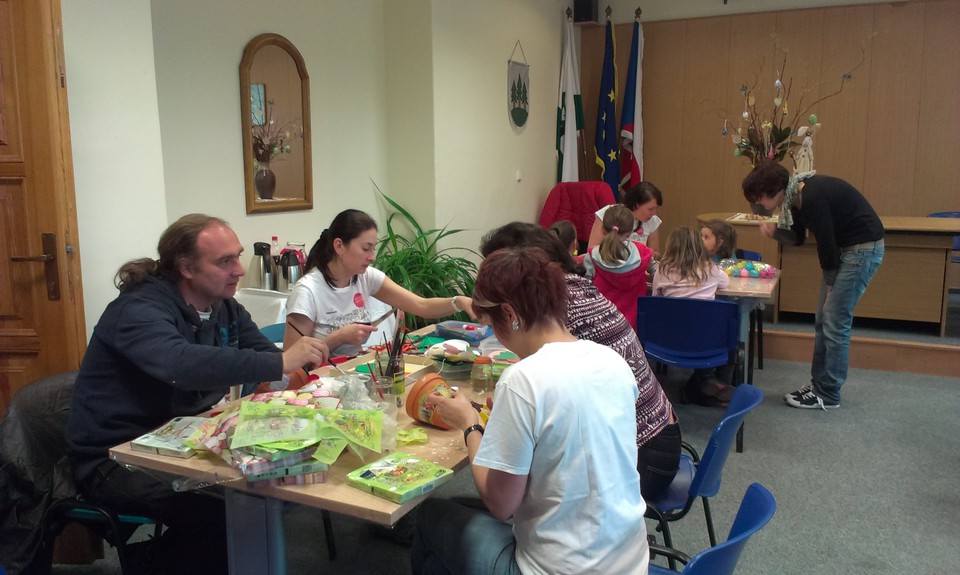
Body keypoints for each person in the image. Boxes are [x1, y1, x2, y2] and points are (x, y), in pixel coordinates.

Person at [66, 214, 330, 574]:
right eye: (225, 261)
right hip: (115, 458)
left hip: (182, 440)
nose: (239, 270)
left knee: (267, 490)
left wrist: (305, 370)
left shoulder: (223, 305)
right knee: (228, 514)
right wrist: (280, 362)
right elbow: (180, 364)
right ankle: (148, 563)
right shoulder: (138, 309)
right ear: (186, 267)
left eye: (238, 256)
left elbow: (265, 357)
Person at [412, 247, 648, 575]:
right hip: (629, 561)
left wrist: (469, 424)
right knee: (461, 510)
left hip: (559, 569)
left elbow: (500, 504)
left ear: (509, 313)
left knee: (429, 516)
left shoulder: (522, 380)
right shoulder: (611, 361)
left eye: (491, 323)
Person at [479, 222, 678, 500]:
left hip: (640, 458)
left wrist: (472, 426)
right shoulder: (574, 287)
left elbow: (503, 500)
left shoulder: (551, 306)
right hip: (657, 438)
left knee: (508, 484)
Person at [743, 160, 883, 410]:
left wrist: (830, 286)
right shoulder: (793, 199)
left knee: (835, 321)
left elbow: (826, 244)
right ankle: (819, 384)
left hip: (862, 249)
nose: (758, 203)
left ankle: (828, 393)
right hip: (847, 250)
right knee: (823, 320)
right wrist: (775, 232)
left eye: (759, 197)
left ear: (773, 189)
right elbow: (797, 238)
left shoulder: (812, 195)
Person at [284, 209, 474, 356]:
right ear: (339, 246)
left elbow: (420, 305)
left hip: (353, 371)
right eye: (366, 248)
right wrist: (339, 337)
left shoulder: (366, 277)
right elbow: (291, 359)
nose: (372, 257)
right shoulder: (308, 290)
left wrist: (458, 302)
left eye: (373, 248)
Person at [652, 226, 734, 407]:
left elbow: (655, 299)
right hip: (705, 341)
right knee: (729, 337)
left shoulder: (663, 270)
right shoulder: (710, 269)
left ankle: (702, 383)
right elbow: (725, 282)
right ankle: (709, 381)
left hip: (668, 340)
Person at [582, 204, 654, 329]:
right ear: (630, 232)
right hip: (635, 328)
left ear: (603, 229)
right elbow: (660, 272)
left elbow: (585, 294)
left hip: (601, 328)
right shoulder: (643, 253)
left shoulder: (591, 258)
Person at [587, 181, 663, 254]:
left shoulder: (652, 220)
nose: (654, 213)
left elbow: (656, 253)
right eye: (650, 209)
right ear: (637, 205)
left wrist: (647, 253)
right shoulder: (608, 213)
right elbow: (592, 249)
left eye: (655, 209)